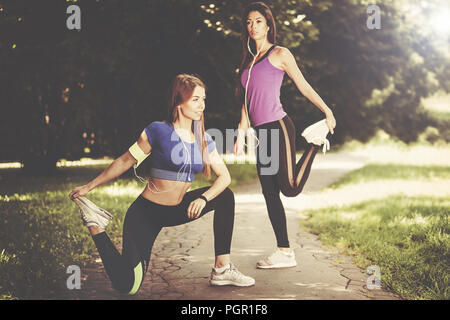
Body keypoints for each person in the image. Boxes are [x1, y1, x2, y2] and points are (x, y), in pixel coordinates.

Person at [69, 74, 255, 296]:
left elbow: (224, 177)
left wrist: (203, 198)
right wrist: (90, 187)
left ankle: (222, 268)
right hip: (147, 213)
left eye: (203, 99)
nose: (202, 105)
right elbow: (125, 160)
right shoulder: (157, 131)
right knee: (128, 286)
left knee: (225, 196)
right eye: (195, 99)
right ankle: (95, 224)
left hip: (178, 209)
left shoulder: (203, 139)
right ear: (179, 100)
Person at [234, 2, 337, 269]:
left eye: (258, 21)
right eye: (249, 22)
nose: (253, 26)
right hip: (260, 133)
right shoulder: (248, 60)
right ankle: (284, 251)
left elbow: (303, 85)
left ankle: (314, 143)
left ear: (268, 25)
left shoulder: (280, 54)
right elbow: (246, 99)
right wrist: (241, 131)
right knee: (269, 193)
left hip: (278, 126)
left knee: (289, 188)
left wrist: (326, 110)